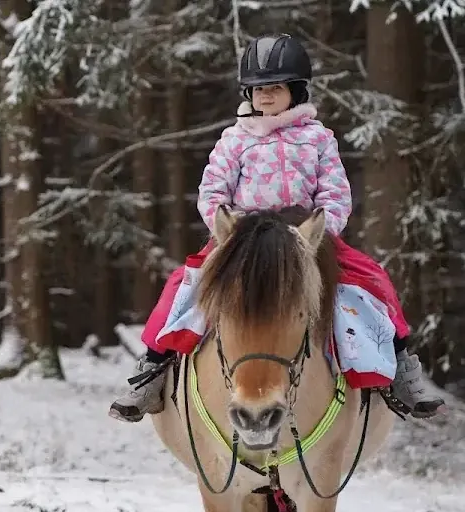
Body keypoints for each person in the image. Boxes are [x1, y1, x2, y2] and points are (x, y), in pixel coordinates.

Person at [108, 33, 446, 423]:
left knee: (372, 279)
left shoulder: (318, 139)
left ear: (296, 91)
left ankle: (401, 366)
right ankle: (150, 370)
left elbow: (335, 193)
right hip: (242, 239)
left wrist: (319, 232)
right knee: (184, 284)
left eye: (274, 88)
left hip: (304, 238)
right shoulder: (234, 140)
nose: (264, 97)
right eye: (256, 89)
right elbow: (212, 190)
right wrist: (226, 227)